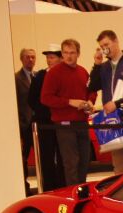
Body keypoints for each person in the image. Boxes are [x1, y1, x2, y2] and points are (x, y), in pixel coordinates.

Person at [89, 29, 123, 175]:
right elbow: (91, 86)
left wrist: (118, 104)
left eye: (106, 44)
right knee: (117, 159)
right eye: (102, 47)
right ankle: (119, 190)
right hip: (111, 118)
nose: (105, 49)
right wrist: (96, 64)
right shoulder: (104, 67)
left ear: (116, 42)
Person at [40, 39, 96, 186]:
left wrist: (90, 102)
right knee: (71, 162)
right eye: (65, 53)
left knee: (84, 160)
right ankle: (73, 195)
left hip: (82, 122)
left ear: (78, 54)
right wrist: (69, 102)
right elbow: (45, 98)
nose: (69, 56)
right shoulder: (54, 73)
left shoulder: (83, 71)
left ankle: (81, 191)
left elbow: (91, 91)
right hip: (64, 124)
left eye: (72, 53)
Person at [28, 43, 65, 191]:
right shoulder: (41, 76)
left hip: (62, 121)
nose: (49, 60)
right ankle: (48, 186)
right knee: (46, 155)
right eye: (48, 57)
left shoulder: (64, 74)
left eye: (52, 57)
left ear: (60, 58)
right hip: (45, 122)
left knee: (63, 154)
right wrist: (46, 111)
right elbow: (32, 99)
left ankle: (63, 185)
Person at [15, 48, 36, 194]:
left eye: (33, 57)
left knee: (42, 156)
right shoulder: (16, 78)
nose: (31, 60)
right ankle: (24, 186)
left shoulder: (37, 76)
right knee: (22, 158)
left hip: (38, 124)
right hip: (24, 125)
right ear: (21, 59)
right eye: (27, 57)